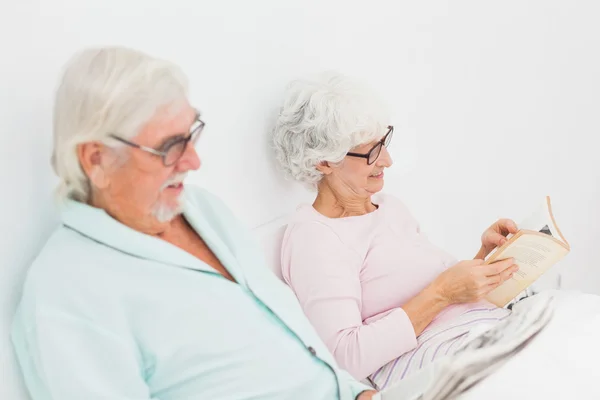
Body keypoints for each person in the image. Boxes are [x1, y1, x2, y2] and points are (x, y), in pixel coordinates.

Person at [11, 47, 379, 400]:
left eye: (191, 134)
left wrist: (355, 392)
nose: (193, 161)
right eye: (170, 146)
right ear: (97, 161)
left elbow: (293, 342)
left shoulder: (200, 208)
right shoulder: (66, 293)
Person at [271, 72, 521, 390]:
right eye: (370, 152)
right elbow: (346, 355)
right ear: (323, 162)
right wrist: (443, 291)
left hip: (489, 329)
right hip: (449, 360)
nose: (387, 160)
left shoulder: (390, 207)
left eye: (383, 142)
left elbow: (440, 295)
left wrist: (485, 259)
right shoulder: (316, 237)